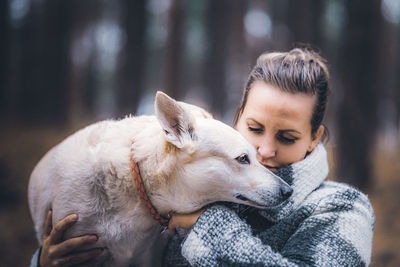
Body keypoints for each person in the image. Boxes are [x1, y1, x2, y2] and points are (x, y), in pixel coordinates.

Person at [31, 47, 375, 266]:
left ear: (315, 138)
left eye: (286, 137)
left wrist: (207, 227)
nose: (266, 150)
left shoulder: (343, 208)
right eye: (254, 128)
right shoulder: (182, 192)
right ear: (237, 118)